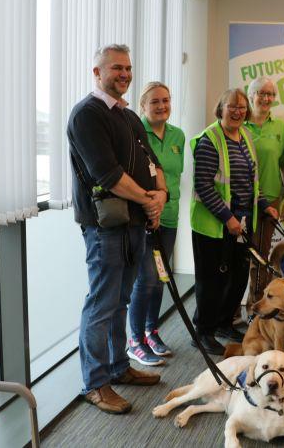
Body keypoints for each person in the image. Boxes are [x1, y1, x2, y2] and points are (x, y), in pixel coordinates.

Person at [67, 45, 168, 415]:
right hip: (105, 227)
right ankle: (95, 383)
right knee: (101, 304)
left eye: (128, 68)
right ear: (97, 72)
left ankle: (118, 367)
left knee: (121, 301)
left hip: (135, 225)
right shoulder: (86, 115)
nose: (124, 74)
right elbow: (107, 175)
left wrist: (160, 195)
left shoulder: (128, 117)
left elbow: (153, 163)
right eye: (116, 68)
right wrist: (148, 199)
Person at [190, 88, 278, 355]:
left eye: (242, 107)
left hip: (242, 223)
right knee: (211, 281)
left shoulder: (245, 136)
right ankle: (203, 331)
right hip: (214, 226)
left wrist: (264, 205)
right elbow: (204, 186)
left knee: (237, 277)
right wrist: (227, 218)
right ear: (221, 108)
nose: (238, 111)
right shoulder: (210, 140)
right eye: (232, 106)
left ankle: (224, 323)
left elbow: (251, 182)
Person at [127, 82, 184, 367]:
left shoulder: (178, 136)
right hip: (146, 216)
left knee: (161, 277)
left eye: (166, 100)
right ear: (143, 105)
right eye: (155, 102)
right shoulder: (136, 133)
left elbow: (174, 177)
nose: (162, 106)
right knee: (146, 278)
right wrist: (150, 206)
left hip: (170, 216)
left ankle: (152, 331)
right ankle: (134, 339)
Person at [243, 77, 284, 309]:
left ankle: (255, 305)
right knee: (238, 256)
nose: (266, 98)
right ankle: (231, 309)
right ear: (250, 95)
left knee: (260, 256)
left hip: (270, 199)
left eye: (270, 94)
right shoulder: (239, 123)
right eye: (261, 93)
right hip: (241, 200)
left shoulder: (281, 127)